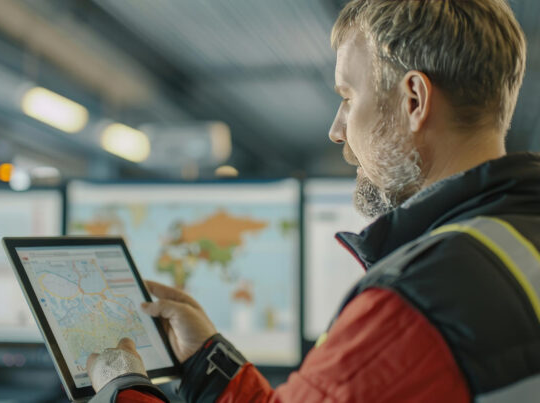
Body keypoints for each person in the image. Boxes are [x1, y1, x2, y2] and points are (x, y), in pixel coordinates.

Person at [86, 0, 540, 401]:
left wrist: (122, 389)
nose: (336, 129)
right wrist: (208, 363)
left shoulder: (420, 301)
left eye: (347, 96)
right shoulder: (519, 236)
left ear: (414, 100)